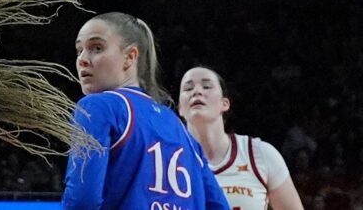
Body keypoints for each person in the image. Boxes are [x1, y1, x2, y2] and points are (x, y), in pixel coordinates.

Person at [62, 12, 230, 210]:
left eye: (96, 48)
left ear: (130, 57)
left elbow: (82, 202)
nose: (82, 59)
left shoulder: (98, 106)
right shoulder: (179, 126)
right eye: (79, 50)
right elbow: (219, 206)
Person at [179, 66, 305, 210]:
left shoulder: (260, 154)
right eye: (188, 89)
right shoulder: (166, 159)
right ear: (180, 109)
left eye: (206, 86)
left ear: (224, 103)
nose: (197, 91)